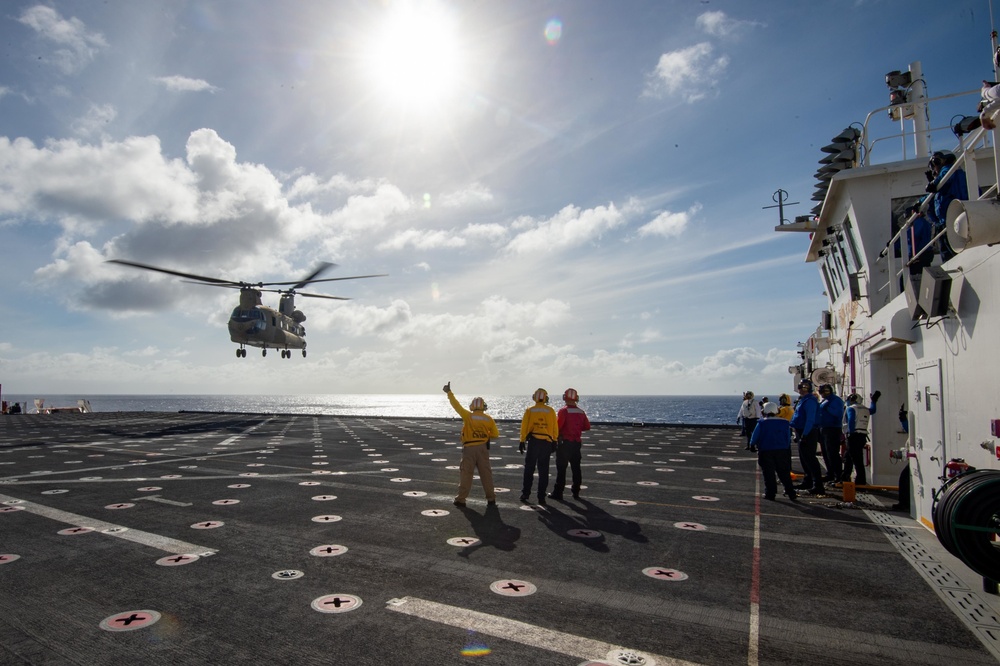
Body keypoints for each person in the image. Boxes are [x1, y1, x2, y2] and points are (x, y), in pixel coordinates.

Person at [443, 382, 499, 507]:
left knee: (466, 474)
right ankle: (491, 498)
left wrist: (449, 393)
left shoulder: (468, 416)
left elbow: (456, 405)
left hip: (469, 449)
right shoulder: (489, 419)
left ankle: (461, 499)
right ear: (483, 407)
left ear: (472, 406)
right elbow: (495, 434)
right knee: (486, 474)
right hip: (483, 449)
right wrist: (484, 435)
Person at [921, 151, 966, 262]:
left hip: (955, 219)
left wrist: (934, 182)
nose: (934, 168)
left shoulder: (951, 170)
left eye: (935, 163)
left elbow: (945, 176)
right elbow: (932, 195)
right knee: (948, 256)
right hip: (945, 222)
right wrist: (919, 203)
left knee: (954, 255)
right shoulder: (943, 183)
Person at [750, 402, 798, 502]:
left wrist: (752, 445)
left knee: (768, 473)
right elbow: (787, 437)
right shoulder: (785, 422)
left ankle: (770, 493)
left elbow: (755, 436)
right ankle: (791, 492)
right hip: (781, 450)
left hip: (766, 450)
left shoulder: (762, 423)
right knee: (784, 473)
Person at [519, 388, 559, 505]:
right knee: (543, 470)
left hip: (533, 442)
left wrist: (522, 440)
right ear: (546, 398)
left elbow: (524, 426)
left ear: (534, 397)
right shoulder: (550, 410)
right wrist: (554, 441)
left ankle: (526, 493)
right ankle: (541, 497)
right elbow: (554, 427)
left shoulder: (530, 410)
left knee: (529, 469)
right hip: (546, 443)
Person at [550, 388, 591, 501]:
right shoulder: (581, 412)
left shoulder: (563, 411)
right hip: (576, 443)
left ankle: (558, 492)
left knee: (561, 469)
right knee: (576, 468)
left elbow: (558, 427)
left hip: (564, 443)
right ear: (576, 398)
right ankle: (576, 491)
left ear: (565, 398)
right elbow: (587, 426)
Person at [790, 379, 824, 494]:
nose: (801, 389)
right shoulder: (804, 400)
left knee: (810, 459)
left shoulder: (809, 401)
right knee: (804, 458)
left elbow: (810, 419)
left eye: (804, 387)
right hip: (802, 431)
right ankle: (808, 481)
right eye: (801, 387)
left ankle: (817, 485)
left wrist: (805, 434)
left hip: (808, 432)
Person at [843, 390, 880, 485]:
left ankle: (859, 480)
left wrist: (850, 433)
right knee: (852, 457)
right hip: (862, 435)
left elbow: (851, 420)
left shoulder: (851, 408)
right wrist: (873, 401)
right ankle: (846, 477)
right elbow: (873, 410)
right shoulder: (865, 409)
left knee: (854, 458)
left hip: (853, 435)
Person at [817, 384, 845, 483]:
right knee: (826, 453)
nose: (822, 393)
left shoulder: (835, 400)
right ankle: (831, 474)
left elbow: (838, 414)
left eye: (823, 391)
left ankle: (838, 475)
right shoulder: (825, 401)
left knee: (832, 453)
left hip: (832, 429)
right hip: (824, 429)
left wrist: (827, 408)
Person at [905, 206, 933, 277]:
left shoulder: (918, 223)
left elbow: (907, 235)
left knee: (906, 279)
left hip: (920, 256)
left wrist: (892, 245)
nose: (907, 221)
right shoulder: (923, 222)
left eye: (908, 217)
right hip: (922, 255)